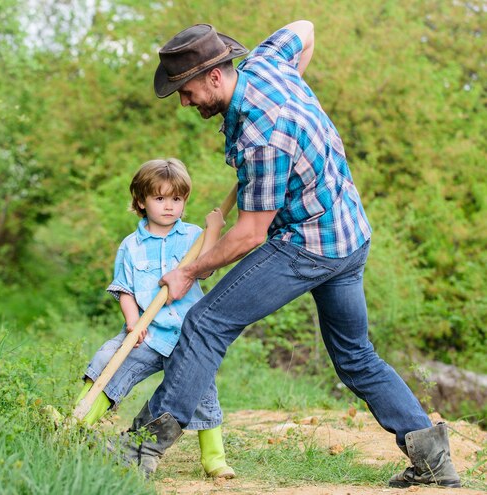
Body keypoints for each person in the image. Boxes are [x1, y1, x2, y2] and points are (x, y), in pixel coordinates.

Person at [113, 21, 461, 488]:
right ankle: (434, 463)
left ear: (215, 77)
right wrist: (296, 97)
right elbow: (306, 27)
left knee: (205, 322)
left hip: (307, 246)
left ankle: (143, 447)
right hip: (349, 234)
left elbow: (251, 234)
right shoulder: (268, 64)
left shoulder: (262, 137)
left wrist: (188, 271)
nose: (184, 101)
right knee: (356, 356)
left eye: (187, 90)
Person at [75, 157, 235, 478]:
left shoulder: (193, 236)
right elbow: (124, 289)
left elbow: (207, 266)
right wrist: (133, 323)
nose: (168, 207)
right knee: (110, 360)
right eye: (159, 198)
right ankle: (78, 423)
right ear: (141, 201)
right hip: (147, 331)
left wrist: (214, 230)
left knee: (203, 391)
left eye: (176, 199)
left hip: (188, 336)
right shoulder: (130, 246)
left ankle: (214, 459)